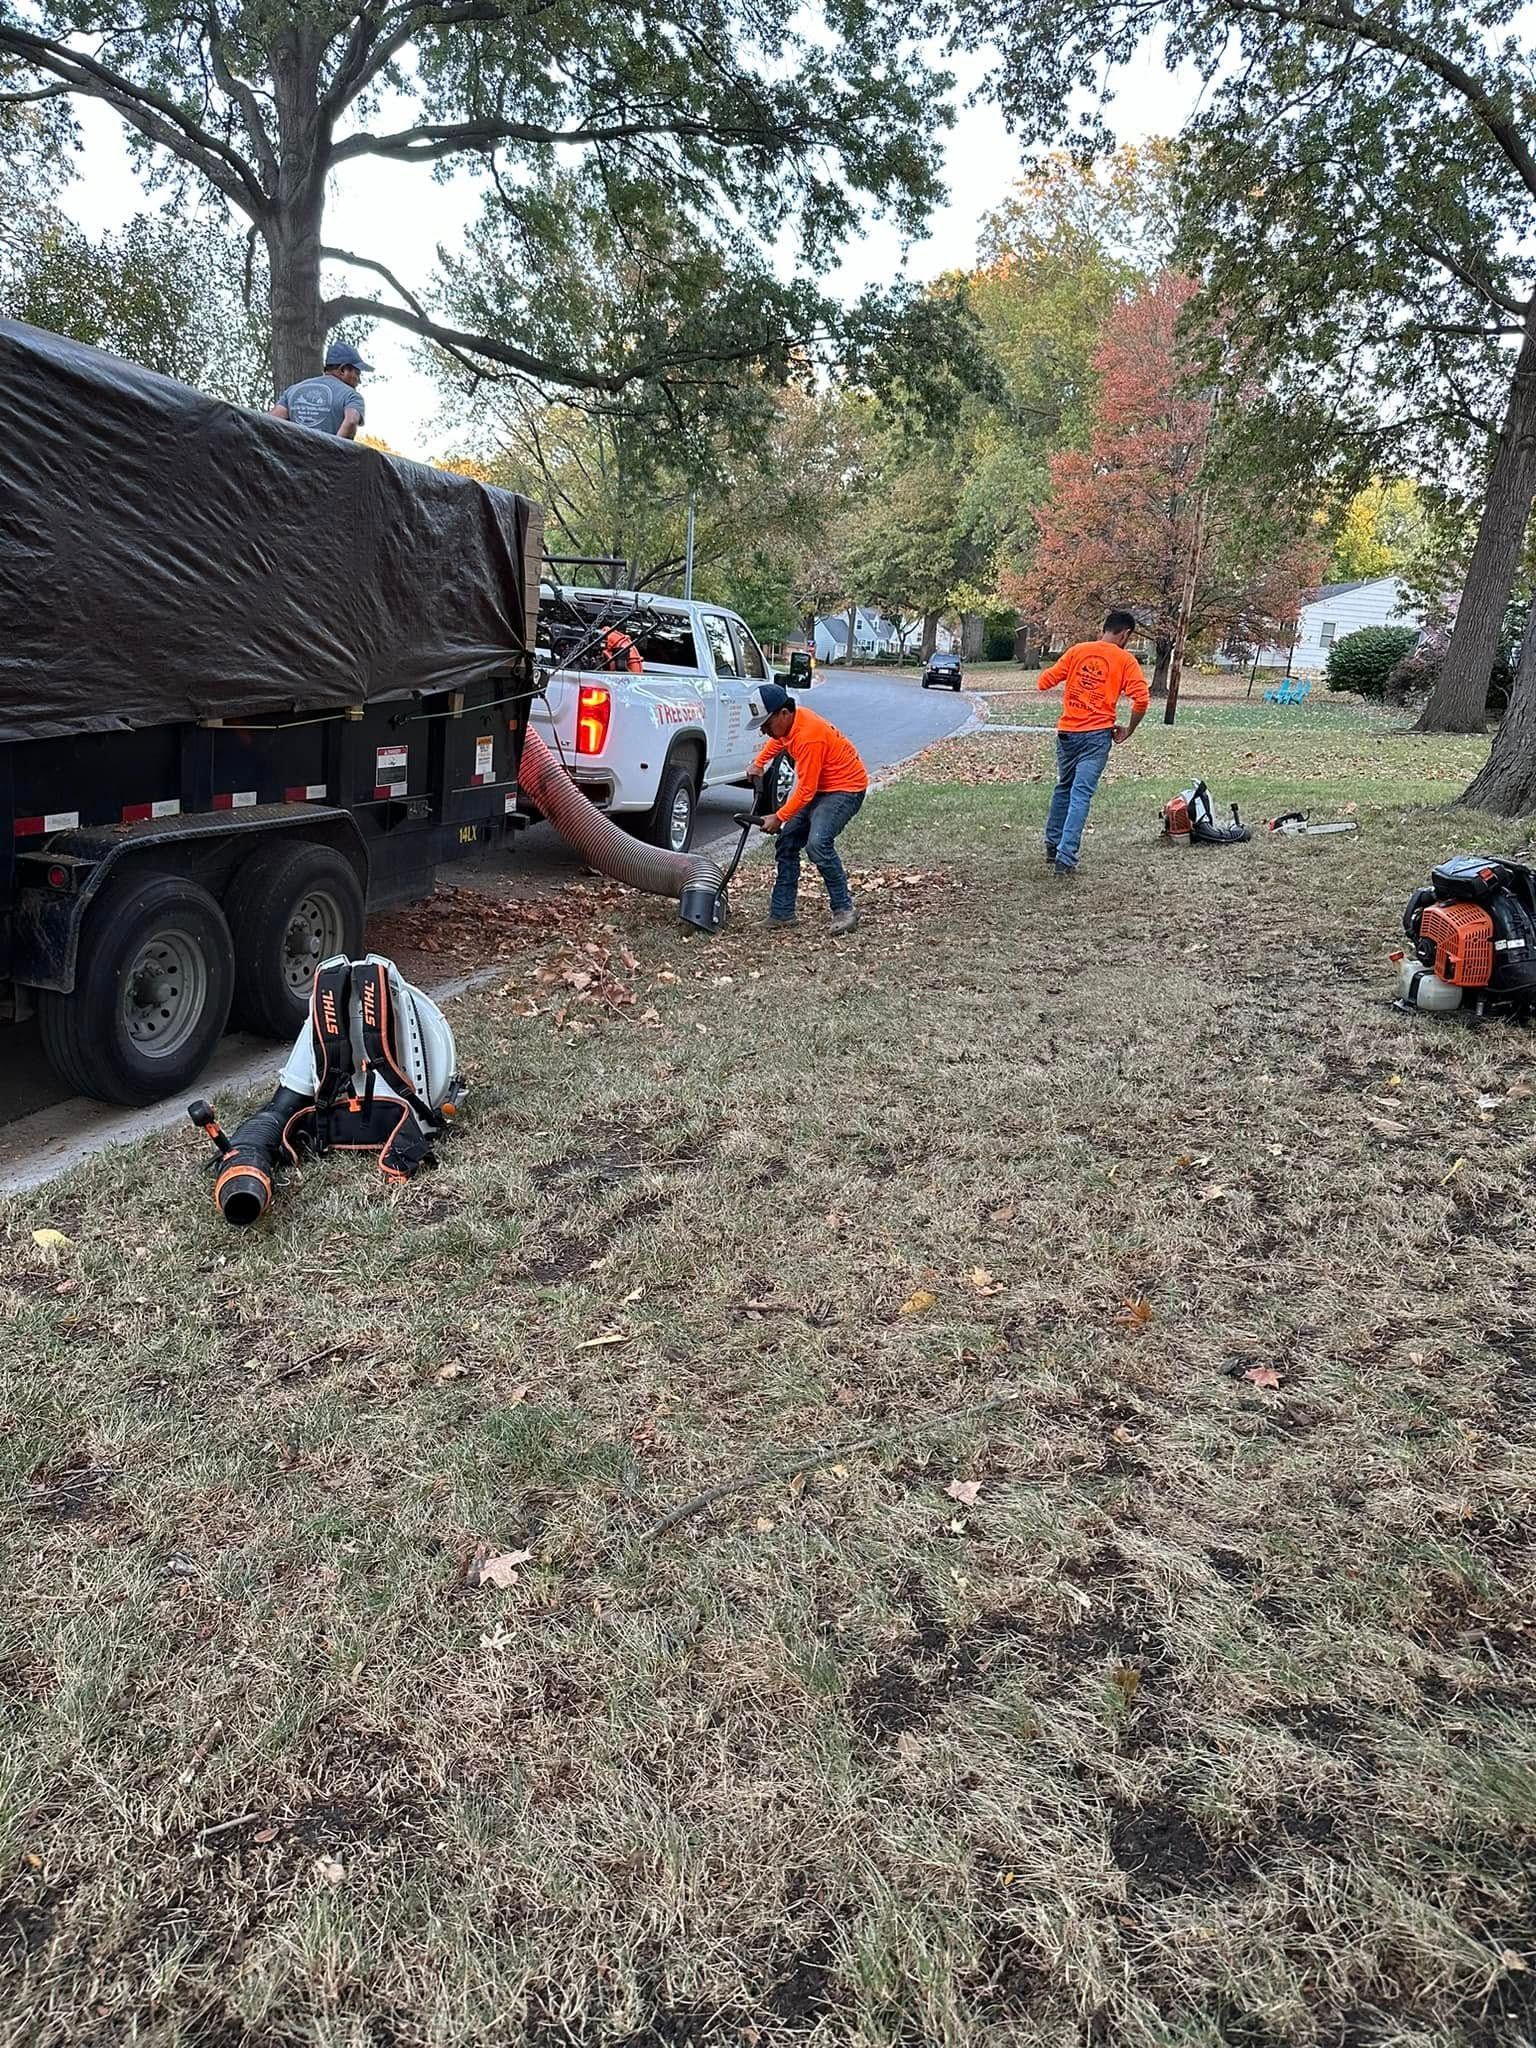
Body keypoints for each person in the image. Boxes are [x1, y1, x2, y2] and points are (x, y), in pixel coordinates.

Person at [747, 682, 869, 934]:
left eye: (766, 724)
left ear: (784, 713)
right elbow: (780, 741)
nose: (763, 731)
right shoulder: (790, 724)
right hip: (822, 787)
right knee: (787, 842)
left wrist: (779, 817)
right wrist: (759, 763)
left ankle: (844, 910)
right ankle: (782, 913)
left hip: (846, 788)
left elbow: (806, 791)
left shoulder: (809, 736)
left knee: (818, 843)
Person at [1036, 608, 1150, 877]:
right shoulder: (1125, 661)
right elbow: (1141, 700)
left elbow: (1044, 682)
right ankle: (1066, 857)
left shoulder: (1077, 651)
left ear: (1105, 628)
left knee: (1064, 786)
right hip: (1097, 736)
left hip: (1067, 733)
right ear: (1125, 634)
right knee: (1081, 794)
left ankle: (1053, 845)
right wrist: (1129, 730)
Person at [269, 341, 371, 439]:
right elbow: (351, 421)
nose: (359, 380)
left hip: (293, 455)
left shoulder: (293, 390)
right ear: (343, 370)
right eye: (357, 373)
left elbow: (271, 421)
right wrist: (333, 451)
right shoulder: (352, 396)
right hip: (327, 456)